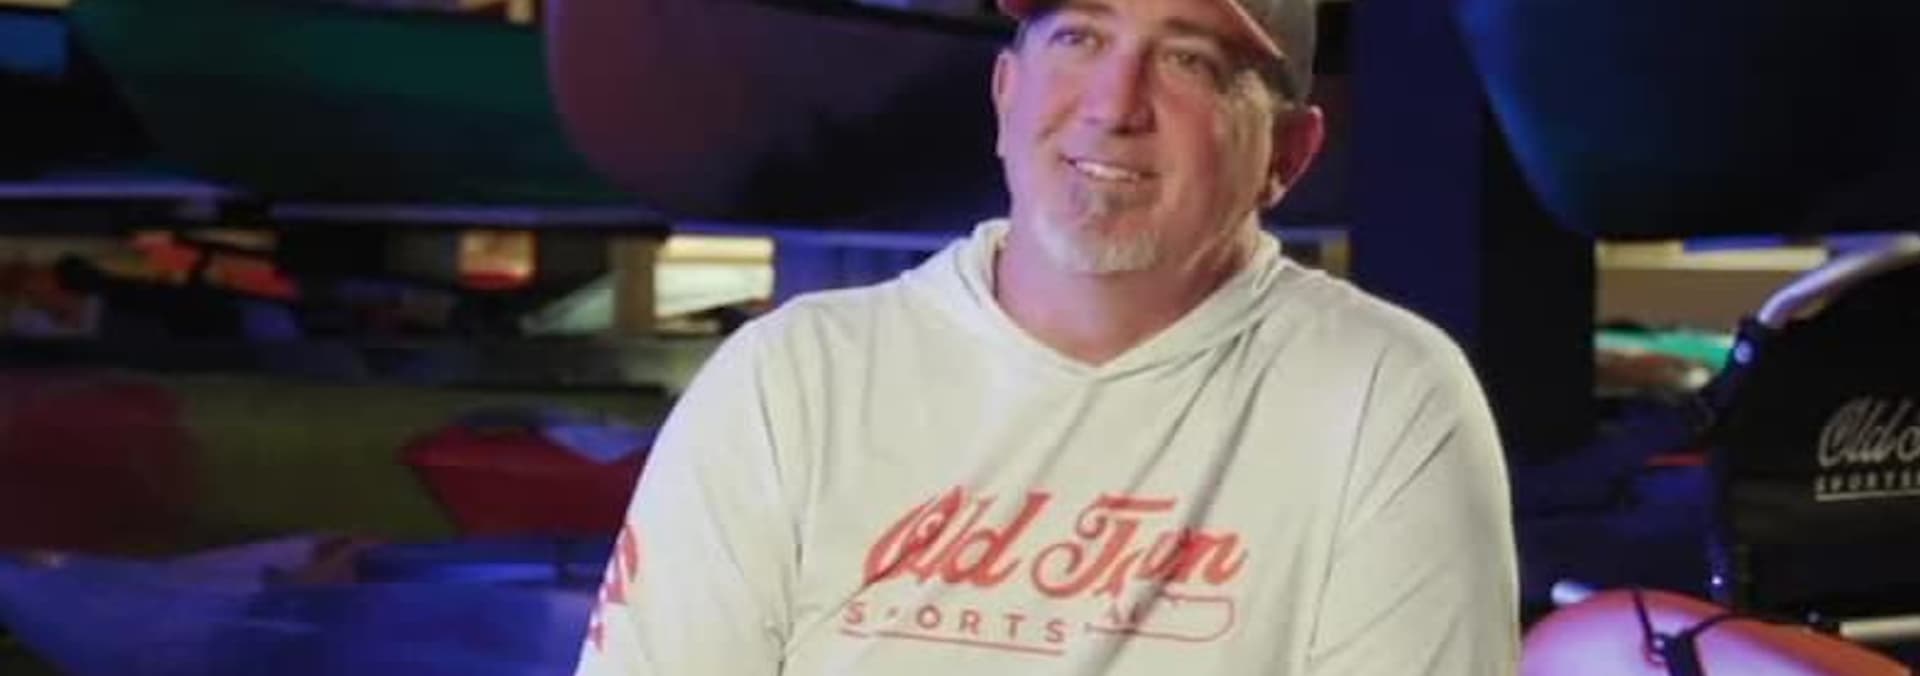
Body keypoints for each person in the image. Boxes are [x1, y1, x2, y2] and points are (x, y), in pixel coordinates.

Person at [575, 0, 1519, 673]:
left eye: (1189, 59)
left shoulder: (1383, 396)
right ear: (1005, 93)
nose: (1114, 103)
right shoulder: (791, 379)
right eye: (1079, 36)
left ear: (1288, 154)